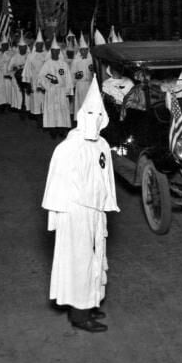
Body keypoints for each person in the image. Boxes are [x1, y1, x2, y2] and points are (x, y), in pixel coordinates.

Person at [43, 79, 119, 333]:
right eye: (89, 113)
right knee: (79, 260)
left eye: (99, 114)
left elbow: (106, 179)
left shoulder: (102, 145)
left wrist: (106, 207)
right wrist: (57, 218)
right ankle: (79, 314)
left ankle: (90, 301)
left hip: (95, 212)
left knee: (96, 258)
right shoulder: (69, 147)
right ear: (80, 115)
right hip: (74, 214)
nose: (94, 118)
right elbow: (55, 185)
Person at [37, 36, 73, 138]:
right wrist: (48, 86)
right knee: (52, 110)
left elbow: (68, 78)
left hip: (61, 91)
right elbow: (40, 78)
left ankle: (61, 130)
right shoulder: (47, 64)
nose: (55, 53)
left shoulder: (64, 64)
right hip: (51, 91)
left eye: (57, 51)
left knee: (62, 110)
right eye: (53, 51)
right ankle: (53, 130)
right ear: (51, 52)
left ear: (59, 52)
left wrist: (68, 90)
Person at [71, 33, 95, 118]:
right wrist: (76, 77)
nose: (84, 51)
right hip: (80, 84)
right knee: (80, 102)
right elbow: (72, 74)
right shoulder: (76, 61)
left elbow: (94, 73)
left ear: (87, 50)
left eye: (85, 49)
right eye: (82, 50)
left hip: (89, 84)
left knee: (89, 103)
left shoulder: (91, 60)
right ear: (80, 51)